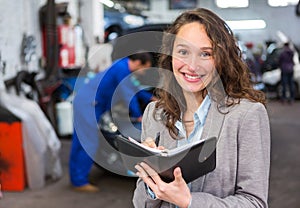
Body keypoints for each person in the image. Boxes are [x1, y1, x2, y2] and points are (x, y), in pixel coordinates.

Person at [133, 8, 270, 207]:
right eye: (183, 52)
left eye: (205, 54)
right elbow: (140, 204)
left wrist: (189, 201)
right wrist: (152, 183)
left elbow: (254, 202)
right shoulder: (154, 115)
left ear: (221, 59)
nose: (192, 65)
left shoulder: (246, 115)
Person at [69, 52, 154, 192]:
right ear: (138, 63)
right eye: (145, 69)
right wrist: (138, 115)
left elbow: (133, 88)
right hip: (89, 104)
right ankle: (80, 182)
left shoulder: (122, 65)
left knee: (80, 141)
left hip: (85, 101)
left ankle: (76, 178)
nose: (143, 73)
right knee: (89, 142)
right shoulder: (122, 69)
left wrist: (150, 98)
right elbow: (127, 93)